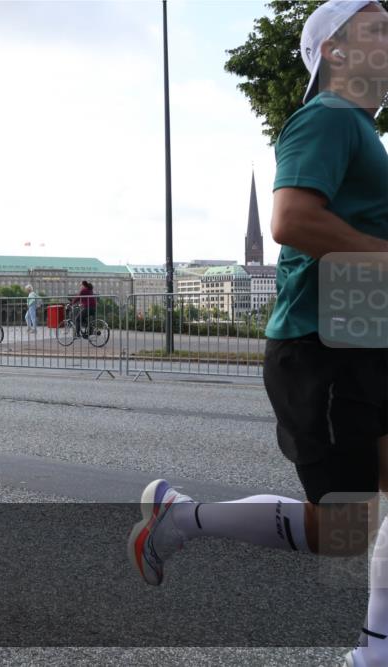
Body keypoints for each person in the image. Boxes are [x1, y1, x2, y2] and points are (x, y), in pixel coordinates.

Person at [127, 4, 388, 667]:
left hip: (359, 342)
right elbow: (292, 218)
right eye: (378, 26)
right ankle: (181, 519)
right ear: (334, 51)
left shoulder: (360, 130)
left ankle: (375, 652)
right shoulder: (327, 117)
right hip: (323, 350)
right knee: (342, 530)